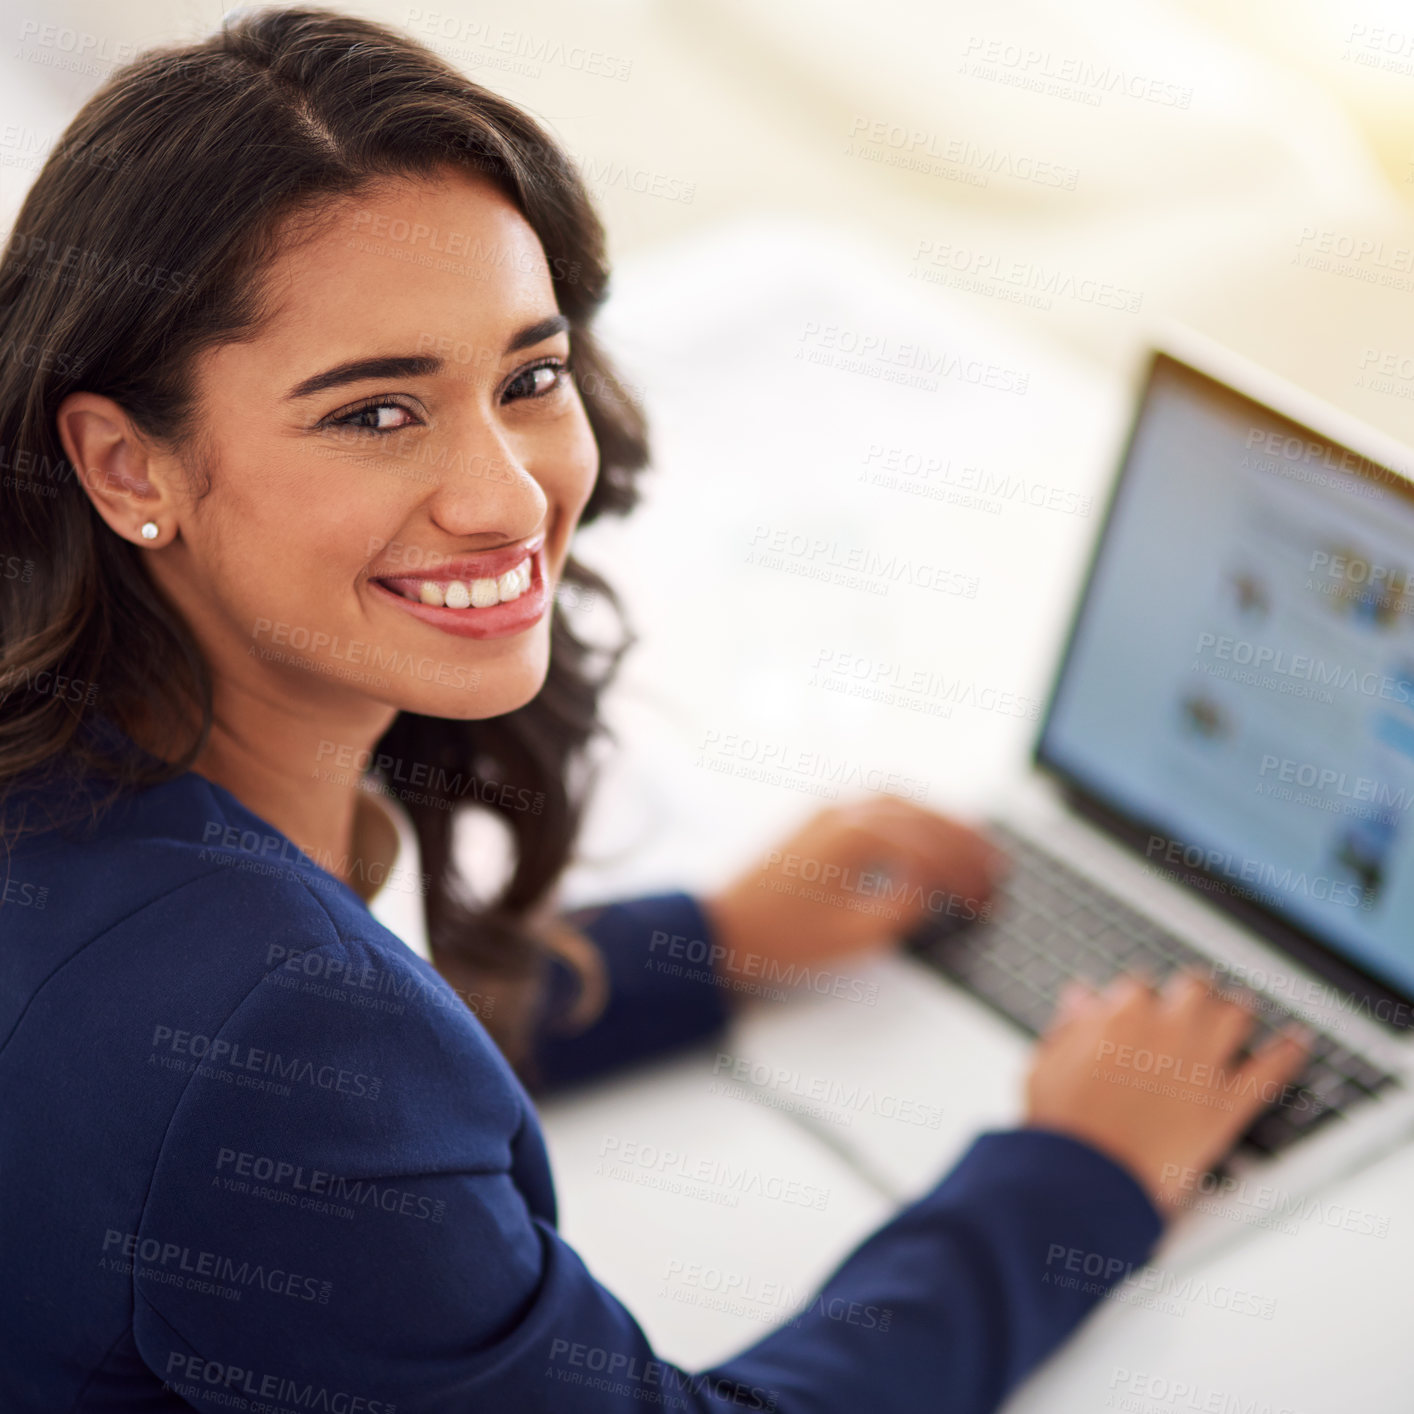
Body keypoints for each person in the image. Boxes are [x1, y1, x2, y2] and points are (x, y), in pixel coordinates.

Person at [0, 9, 1310, 1411]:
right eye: (377, 412)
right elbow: (277, 1087)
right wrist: (1074, 1175)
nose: (504, 494)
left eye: (529, 377)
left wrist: (713, 941)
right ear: (127, 462)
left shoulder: (94, 769)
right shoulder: (273, 1044)